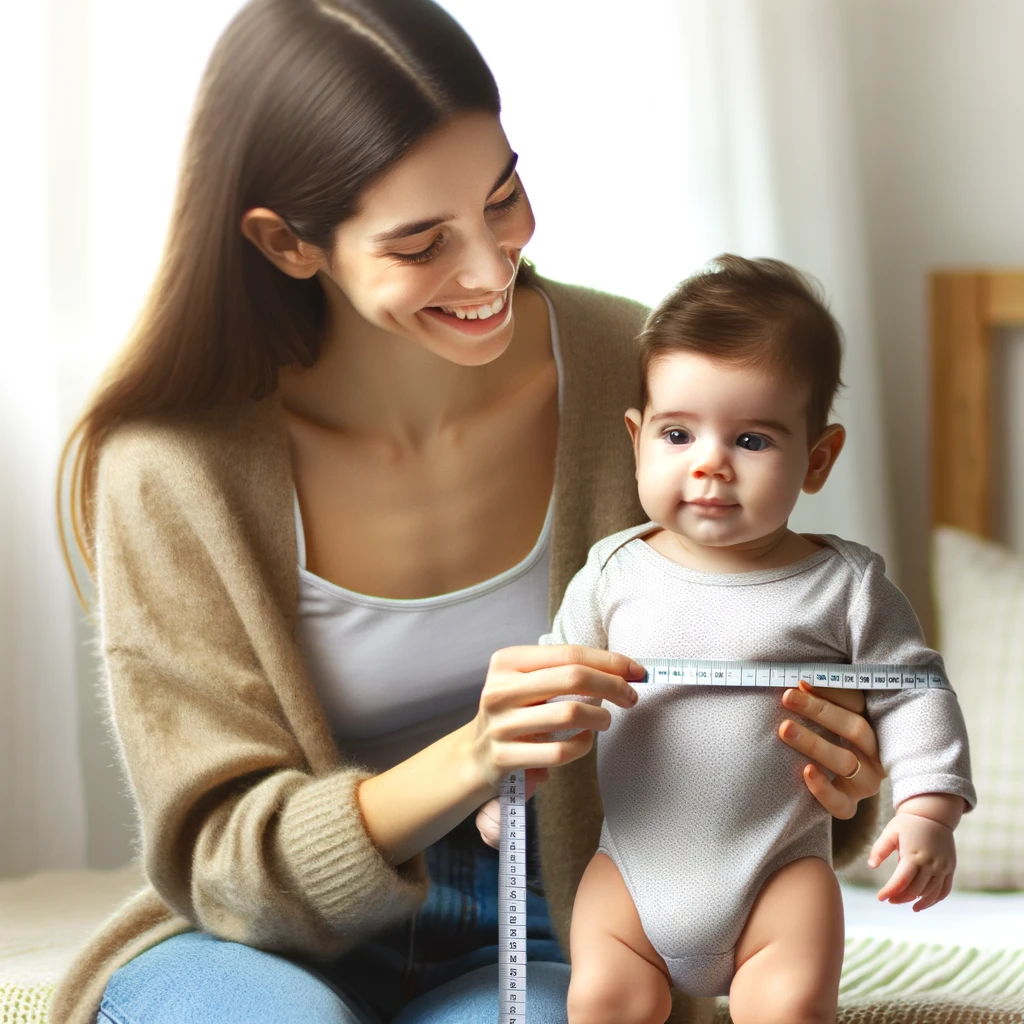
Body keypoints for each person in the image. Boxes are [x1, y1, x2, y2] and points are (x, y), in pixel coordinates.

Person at [53, 4, 885, 1024]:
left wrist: (837, 770)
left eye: (503, 197)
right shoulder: (168, 467)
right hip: (258, 937)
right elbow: (224, 859)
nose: (491, 270)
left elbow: (772, 635)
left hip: (557, 910)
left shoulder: (638, 377)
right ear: (286, 243)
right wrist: (473, 753)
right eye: (419, 244)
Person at [545, 255, 976, 1024]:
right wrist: (504, 787)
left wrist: (926, 810)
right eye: (678, 433)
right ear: (636, 439)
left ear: (817, 458)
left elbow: (915, 693)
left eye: (750, 439)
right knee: (606, 999)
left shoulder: (846, 586)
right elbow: (553, 688)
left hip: (781, 873)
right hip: (631, 876)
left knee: (787, 1006)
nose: (710, 463)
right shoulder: (611, 574)